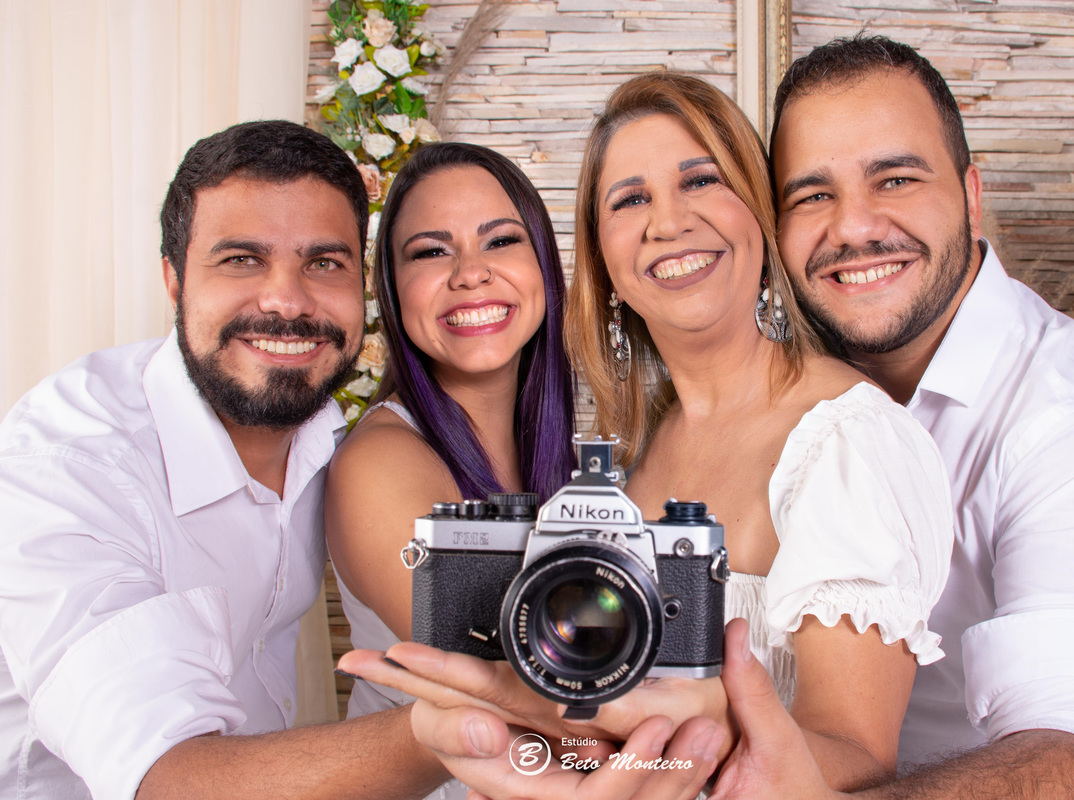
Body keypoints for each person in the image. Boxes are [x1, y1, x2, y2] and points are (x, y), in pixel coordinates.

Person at [340, 70, 955, 795]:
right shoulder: (625, 453)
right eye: (630, 199)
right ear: (603, 260)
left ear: (758, 214)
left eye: (700, 181)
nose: (667, 222)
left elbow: (860, 755)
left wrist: (707, 740)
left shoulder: (847, 442)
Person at [0, 120, 447, 799]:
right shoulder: (68, 467)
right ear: (174, 279)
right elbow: (167, 780)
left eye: (324, 263)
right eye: (241, 259)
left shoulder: (328, 435)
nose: (287, 302)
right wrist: (461, 731)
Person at [768, 34, 1074, 799]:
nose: (852, 227)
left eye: (896, 178)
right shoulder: (770, 373)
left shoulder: (1070, 413)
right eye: (812, 195)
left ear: (972, 195)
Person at [323, 142, 577, 797]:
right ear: (391, 289)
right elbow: (508, 689)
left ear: (544, 265)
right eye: (432, 252)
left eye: (500, 241)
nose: (470, 274)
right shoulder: (380, 461)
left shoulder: (576, 464)